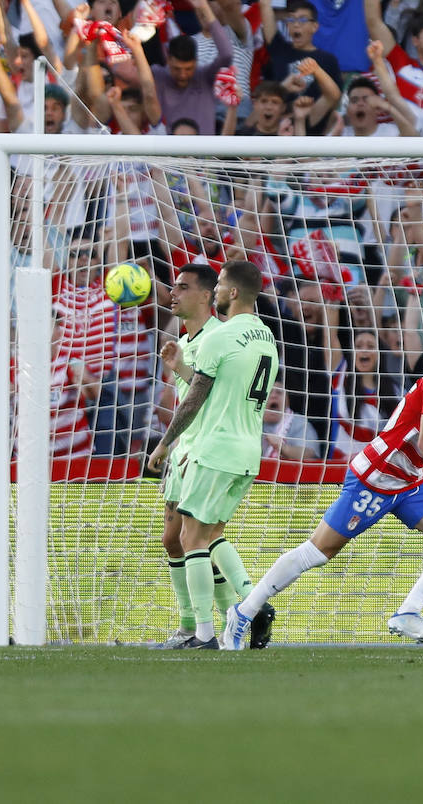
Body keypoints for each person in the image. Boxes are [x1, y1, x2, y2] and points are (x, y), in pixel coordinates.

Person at [225, 311, 423, 648]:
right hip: (378, 475)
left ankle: (408, 613)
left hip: (406, 480)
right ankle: (244, 612)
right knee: (318, 551)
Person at [146, 261, 280, 650]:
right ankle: (241, 612)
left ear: (230, 293)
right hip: (247, 450)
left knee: (191, 539)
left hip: (214, 448)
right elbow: (225, 388)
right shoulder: (266, 336)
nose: (218, 289)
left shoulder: (219, 337)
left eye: (220, 284)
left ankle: (204, 632)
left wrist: (164, 442)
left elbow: (195, 400)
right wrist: (183, 368)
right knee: (205, 536)